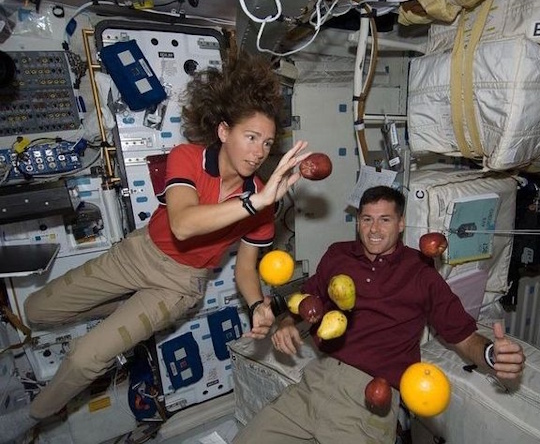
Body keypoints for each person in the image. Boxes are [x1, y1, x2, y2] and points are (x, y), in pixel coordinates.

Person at [0, 52, 311, 443]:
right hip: (139, 254)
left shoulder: (262, 201)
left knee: (84, 357)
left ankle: (33, 414)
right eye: (251, 137)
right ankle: (123, 314)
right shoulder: (188, 158)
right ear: (223, 131)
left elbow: (245, 268)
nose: (259, 151)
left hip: (179, 285)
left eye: (266, 143)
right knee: (35, 310)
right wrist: (254, 202)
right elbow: (182, 224)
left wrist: (256, 306)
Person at [233, 185, 526, 444]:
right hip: (315, 382)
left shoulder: (420, 273)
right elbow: (307, 299)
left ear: (401, 224)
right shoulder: (338, 254)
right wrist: (286, 322)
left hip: (369, 400)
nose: (374, 229)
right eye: (367, 219)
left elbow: (462, 335)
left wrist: (492, 355)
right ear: (358, 222)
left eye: (384, 219)